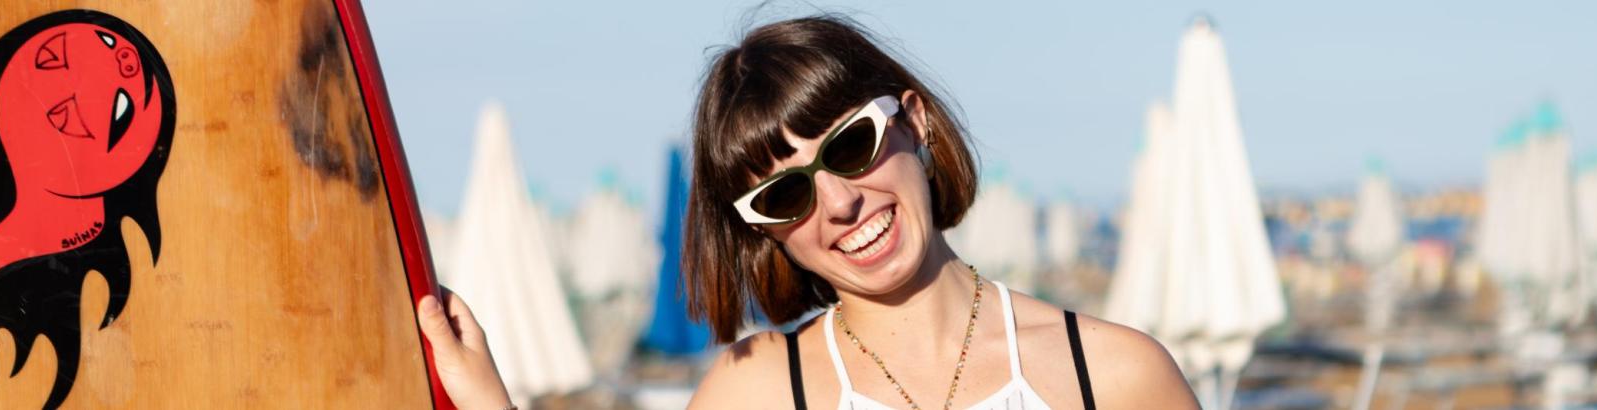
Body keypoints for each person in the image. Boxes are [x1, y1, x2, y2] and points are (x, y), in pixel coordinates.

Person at [419, 15, 1197, 410]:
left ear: (914, 120)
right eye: (784, 193)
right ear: (763, 229)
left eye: (851, 145)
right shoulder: (755, 392)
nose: (841, 202)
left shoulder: (1116, 377)